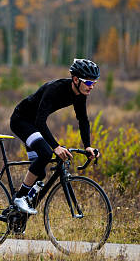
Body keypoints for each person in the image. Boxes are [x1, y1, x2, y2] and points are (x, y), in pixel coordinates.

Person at [9, 58, 100, 214]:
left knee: (40, 173)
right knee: (46, 153)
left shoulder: (80, 94)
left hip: (33, 124)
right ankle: (20, 198)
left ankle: (16, 216)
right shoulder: (55, 89)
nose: (91, 87)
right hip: (21, 121)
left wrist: (87, 146)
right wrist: (56, 146)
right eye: (89, 83)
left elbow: (83, 120)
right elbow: (39, 121)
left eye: (94, 83)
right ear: (76, 79)